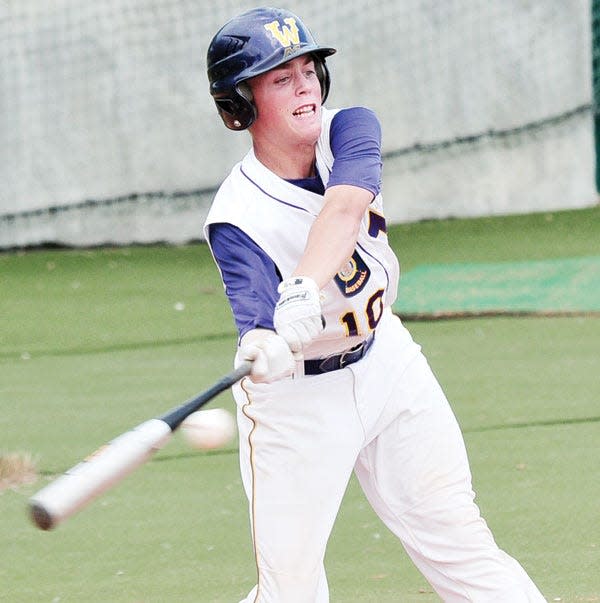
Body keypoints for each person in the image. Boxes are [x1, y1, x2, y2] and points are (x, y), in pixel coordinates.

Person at [204, 7, 546, 602]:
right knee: (290, 590)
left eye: (308, 70)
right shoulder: (237, 217)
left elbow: (345, 204)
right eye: (280, 78)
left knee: (458, 540)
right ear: (240, 104)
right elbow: (254, 319)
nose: (305, 85)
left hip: (388, 363)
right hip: (297, 405)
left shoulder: (350, 128)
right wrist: (265, 346)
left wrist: (303, 289)